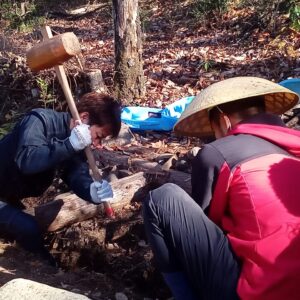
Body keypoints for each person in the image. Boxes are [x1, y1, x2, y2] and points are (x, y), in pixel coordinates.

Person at [143, 76, 300, 300]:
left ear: (223, 121)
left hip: (262, 290)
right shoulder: (293, 149)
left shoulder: (220, 152)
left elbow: (208, 222)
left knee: (162, 199)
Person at [0, 92, 121, 265]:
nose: (97, 144)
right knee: (28, 228)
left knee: (25, 223)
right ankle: (46, 269)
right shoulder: (39, 120)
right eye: (98, 136)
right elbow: (27, 160)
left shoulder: (77, 141)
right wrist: (68, 145)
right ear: (84, 117)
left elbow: (76, 174)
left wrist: (91, 191)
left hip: (8, 194)